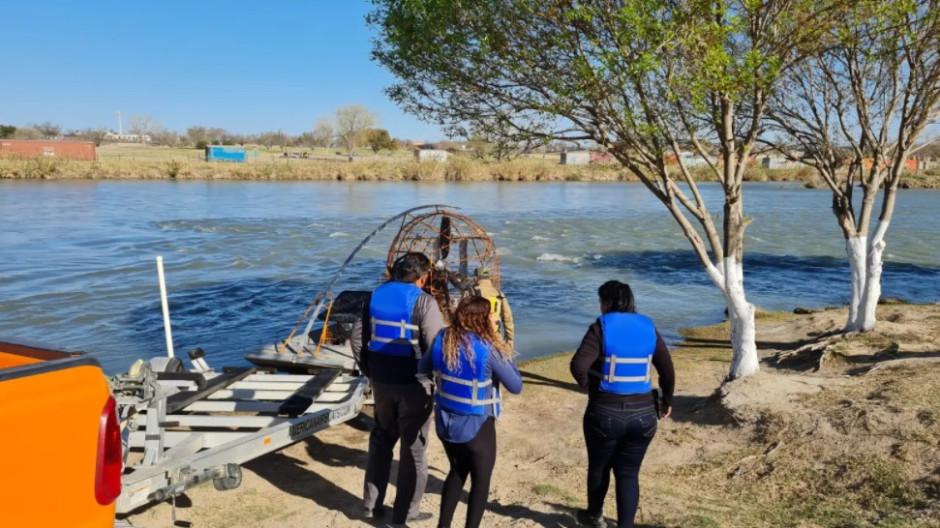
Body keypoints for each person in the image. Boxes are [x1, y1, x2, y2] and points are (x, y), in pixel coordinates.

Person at [569, 280, 675, 528]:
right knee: (628, 473)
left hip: (604, 413)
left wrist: (591, 388)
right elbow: (668, 371)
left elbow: (577, 366)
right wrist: (667, 400)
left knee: (599, 468)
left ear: (605, 302)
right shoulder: (649, 327)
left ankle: (594, 517)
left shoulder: (601, 327)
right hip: (644, 416)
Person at [351, 252, 446, 524]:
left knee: (381, 440)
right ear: (423, 276)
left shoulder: (374, 296)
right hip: (414, 385)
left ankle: (371, 504)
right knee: (413, 447)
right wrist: (436, 384)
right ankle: (406, 513)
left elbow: (356, 339)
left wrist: (370, 370)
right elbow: (436, 346)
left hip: (381, 381)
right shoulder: (424, 302)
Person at [418, 295, 523, 528]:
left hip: (446, 423)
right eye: (490, 315)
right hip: (478, 425)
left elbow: (422, 367)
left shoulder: (442, 339)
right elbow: (516, 386)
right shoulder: (489, 348)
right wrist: (504, 347)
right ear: (482, 320)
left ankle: (443, 526)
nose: (495, 318)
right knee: (480, 481)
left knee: (457, 471)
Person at [471, 267, 515, 350]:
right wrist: (510, 340)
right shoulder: (499, 294)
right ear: (490, 278)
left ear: (475, 278)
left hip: (476, 337)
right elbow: (508, 318)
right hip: (496, 336)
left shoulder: (470, 293)